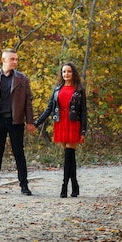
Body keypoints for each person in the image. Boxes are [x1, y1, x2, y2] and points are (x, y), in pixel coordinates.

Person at [0, 48, 36, 195]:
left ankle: (24, 186)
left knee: (19, 153)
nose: (15, 62)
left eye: (16, 59)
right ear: (3, 60)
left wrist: (30, 121)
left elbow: (28, 101)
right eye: (12, 59)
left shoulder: (22, 79)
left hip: (16, 121)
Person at [34, 62, 87, 198]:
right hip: (60, 123)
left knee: (68, 155)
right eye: (64, 72)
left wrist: (83, 131)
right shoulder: (57, 90)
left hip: (74, 123)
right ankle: (74, 185)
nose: (66, 74)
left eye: (69, 71)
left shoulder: (79, 90)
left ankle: (64, 186)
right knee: (70, 158)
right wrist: (36, 123)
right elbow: (49, 109)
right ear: (61, 74)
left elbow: (83, 112)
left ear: (73, 73)